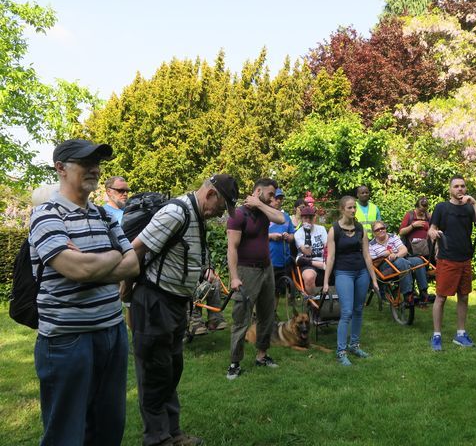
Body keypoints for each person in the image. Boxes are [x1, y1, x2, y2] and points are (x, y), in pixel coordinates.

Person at [29, 139, 139, 446]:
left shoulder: (104, 215)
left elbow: (133, 266)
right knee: (66, 433)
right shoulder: (46, 215)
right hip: (67, 341)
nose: (94, 169)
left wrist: (97, 263)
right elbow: (78, 269)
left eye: (97, 163)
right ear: (61, 168)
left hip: (112, 333)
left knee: (108, 428)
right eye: (85, 162)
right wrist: (112, 256)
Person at [130, 173, 238, 446]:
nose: (219, 214)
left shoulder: (196, 217)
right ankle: (157, 438)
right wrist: (127, 298)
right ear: (211, 194)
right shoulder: (176, 212)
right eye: (221, 207)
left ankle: (173, 433)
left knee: (171, 368)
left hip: (176, 303)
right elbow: (135, 249)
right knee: (155, 372)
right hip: (155, 301)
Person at [226, 178, 285, 380]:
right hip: (245, 271)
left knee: (266, 315)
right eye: (270, 194)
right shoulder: (238, 214)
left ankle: (262, 355)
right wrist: (234, 277)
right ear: (258, 190)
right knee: (241, 317)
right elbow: (231, 248)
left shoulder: (263, 210)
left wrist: (260, 203)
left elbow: (281, 219)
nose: (273, 198)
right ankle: (235, 362)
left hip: (266, 269)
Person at [428, 175, 476, 351]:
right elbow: (432, 229)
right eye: (456, 186)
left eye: (462, 186)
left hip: (465, 258)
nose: (460, 189)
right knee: (441, 297)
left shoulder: (470, 208)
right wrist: (433, 234)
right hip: (447, 258)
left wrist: (475, 204)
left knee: (464, 296)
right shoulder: (442, 207)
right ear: (450, 189)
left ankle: (460, 334)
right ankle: (436, 335)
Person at [324, 196, 379, 366]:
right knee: (346, 312)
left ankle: (354, 345)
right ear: (342, 209)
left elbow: (367, 255)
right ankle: (341, 351)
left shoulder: (360, 228)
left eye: (354, 207)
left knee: (358, 310)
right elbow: (331, 257)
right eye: (350, 208)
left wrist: (374, 279)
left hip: (361, 272)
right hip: (343, 273)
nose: (353, 210)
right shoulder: (334, 230)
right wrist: (326, 281)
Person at [369, 220, 429, 304]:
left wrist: (396, 255)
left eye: (382, 228)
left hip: (400, 259)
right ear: (374, 233)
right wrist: (385, 254)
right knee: (402, 262)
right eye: (377, 230)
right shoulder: (371, 245)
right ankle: (408, 295)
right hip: (385, 267)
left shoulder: (393, 237)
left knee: (418, 260)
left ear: (385, 228)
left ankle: (424, 292)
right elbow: (374, 262)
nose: (380, 230)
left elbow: (403, 249)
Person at [268, 188, 296, 306]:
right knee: (266, 290)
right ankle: (256, 316)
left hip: (283, 259)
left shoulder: (286, 217)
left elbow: (293, 235)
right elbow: (256, 235)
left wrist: (288, 237)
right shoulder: (264, 216)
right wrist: (271, 236)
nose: (279, 201)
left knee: (278, 290)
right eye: (276, 198)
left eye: (281, 198)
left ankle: (273, 312)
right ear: (270, 199)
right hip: (268, 259)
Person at [294, 205, 327, 295]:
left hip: (323, 261)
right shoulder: (298, 234)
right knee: (309, 277)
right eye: (305, 218)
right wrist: (307, 233)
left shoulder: (321, 229)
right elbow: (307, 252)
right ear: (301, 219)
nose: (308, 220)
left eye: (310, 217)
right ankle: (314, 304)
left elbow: (327, 247)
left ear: (314, 218)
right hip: (307, 262)